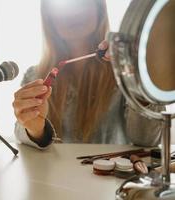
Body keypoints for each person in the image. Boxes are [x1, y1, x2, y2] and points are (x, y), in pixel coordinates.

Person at [13, 0, 162, 149]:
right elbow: (22, 137)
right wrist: (35, 129)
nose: (74, 11)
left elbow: (148, 140)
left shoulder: (124, 72)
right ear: (49, 17)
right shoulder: (34, 76)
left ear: (99, 8)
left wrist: (138, 77)